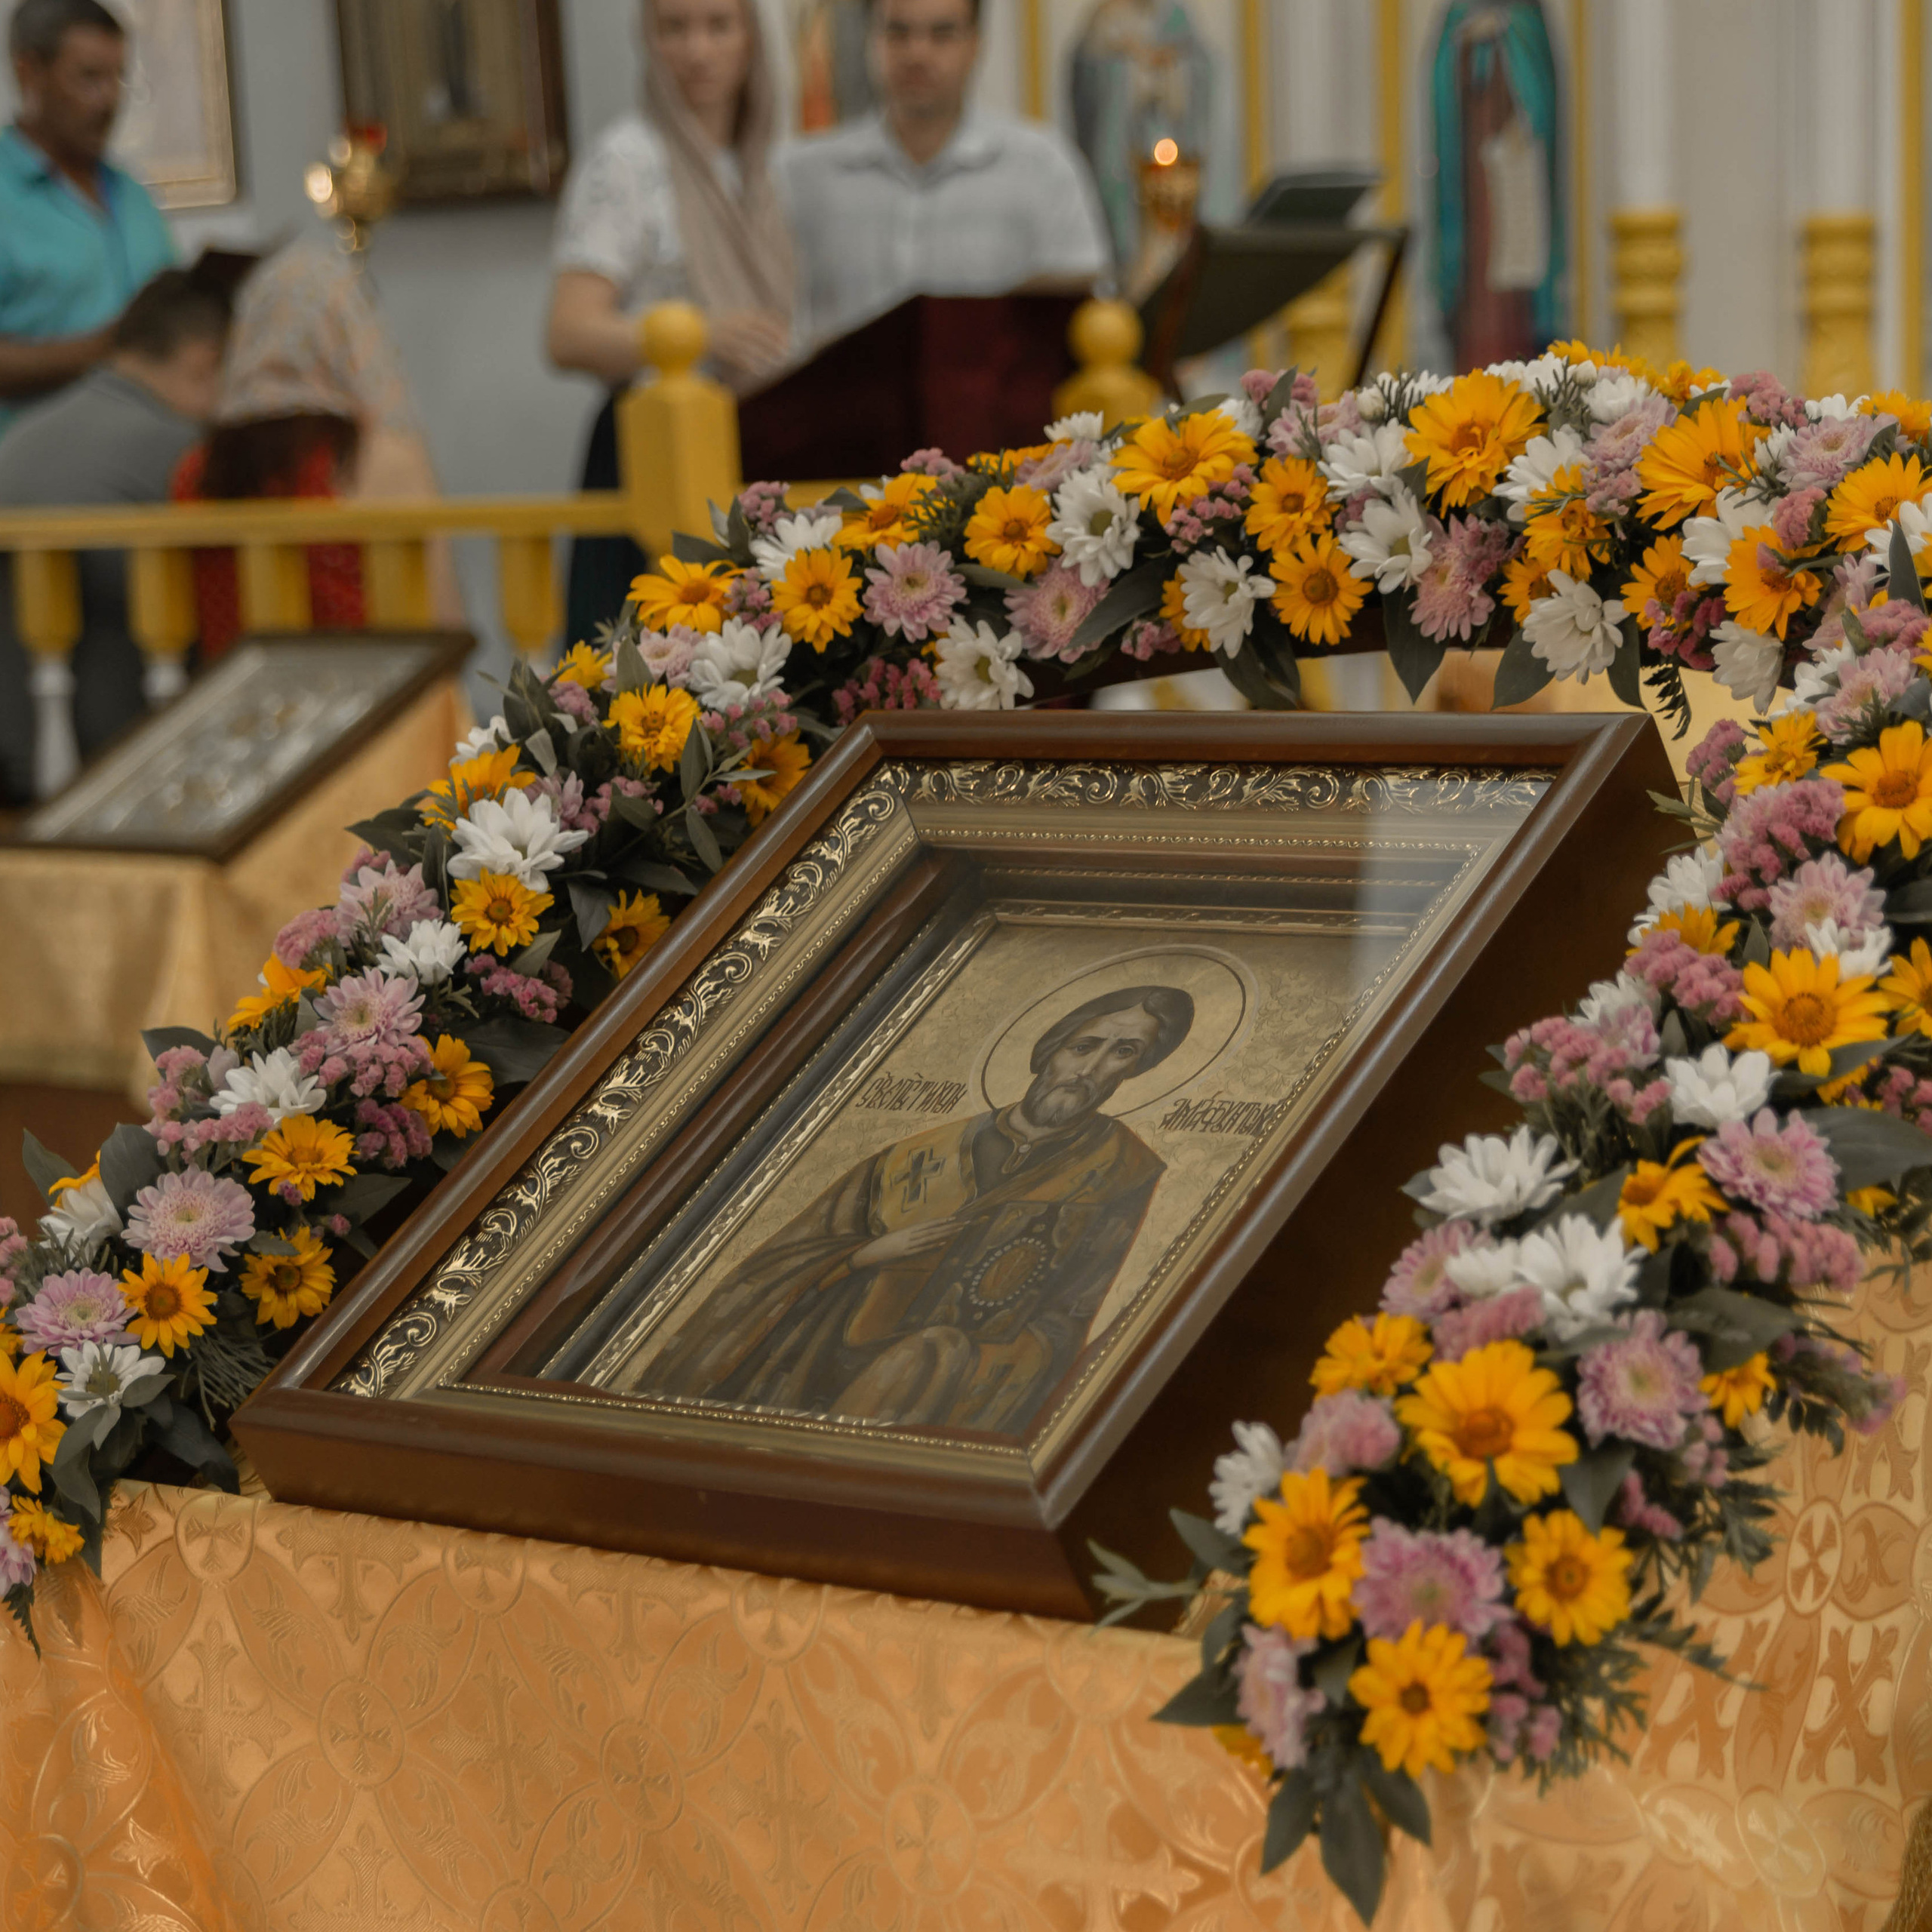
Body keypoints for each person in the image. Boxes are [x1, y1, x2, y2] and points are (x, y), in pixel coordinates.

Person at [635, 985, 1193, 1436]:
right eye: (1083, 1046)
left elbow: (1074, 1310)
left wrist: (958, 1356)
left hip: (953, 1376)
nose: (1091, 1068)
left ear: (1136, 1071)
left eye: (1124, 1053)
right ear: (1051, 1050)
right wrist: (864, 1255)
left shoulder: (1121, 1170)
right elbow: (774, 1268)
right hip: (822, 1355)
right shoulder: (915, 1154)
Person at [547, 0, 795, 649]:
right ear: (648, 41)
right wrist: (696, 336)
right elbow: (568, 330)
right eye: (674, 28)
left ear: (750, 37)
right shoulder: (628, 160)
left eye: (718, 25)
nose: (697, 50)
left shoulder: (764, 162)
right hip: (652, 451)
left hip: (756, 440)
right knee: (650, 672)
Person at [0, 268, 232, 797]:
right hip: (123, 759)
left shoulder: (22, 436)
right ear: (205, 360)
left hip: (18, 750)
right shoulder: (184, 450)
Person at [172, 239, 459, 660]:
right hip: (362, 690)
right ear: (351, 333)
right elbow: (443, 620)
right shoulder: (374, 458)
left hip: (239, 691)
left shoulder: (195, 469)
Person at [780, 0, 1113, 346]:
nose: (917, 53)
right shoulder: (800, 176)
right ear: (870, 39)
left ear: (976, 44)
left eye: (942, 34)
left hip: (994, 381)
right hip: (840, 382)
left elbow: (1085, 309)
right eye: (898, 32)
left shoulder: (1042, 168)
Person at [0, 0, 175, 435]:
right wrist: (104, 350)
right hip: (31, 467)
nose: (110, 100)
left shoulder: (132, 193)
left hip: (150, 456)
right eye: (89, 78)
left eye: (118, 78)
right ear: (29, 72)